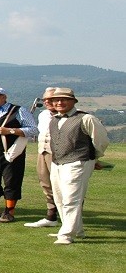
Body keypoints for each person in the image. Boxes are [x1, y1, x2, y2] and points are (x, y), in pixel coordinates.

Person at [44, 87, 110, 245]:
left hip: (78, 162)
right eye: (56, 100)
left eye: (64, 99)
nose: (59, 102)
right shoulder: (53, 120)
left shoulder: (86, 118)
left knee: (71, 199)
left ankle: (66, 234)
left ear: (73, 101)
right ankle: (76, 229)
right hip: (58, 162)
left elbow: (101, 140)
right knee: (59, 198)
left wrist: (94, 158)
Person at [0, 86, 38, 223]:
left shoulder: (19, 110)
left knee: (12, 180)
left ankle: (9, 211)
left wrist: (10, 131)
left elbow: (33, 130)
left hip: (11, 151)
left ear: (3, 97)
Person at [25, 88, 60, 228]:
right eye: (45, 99)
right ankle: (51, 216)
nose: (46, 102)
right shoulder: (43, 115)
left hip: (62, 155)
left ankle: (72, 219)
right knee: (46, 184)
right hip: (43, 152)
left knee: (64, 186)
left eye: (50, 99)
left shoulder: (74, 116)